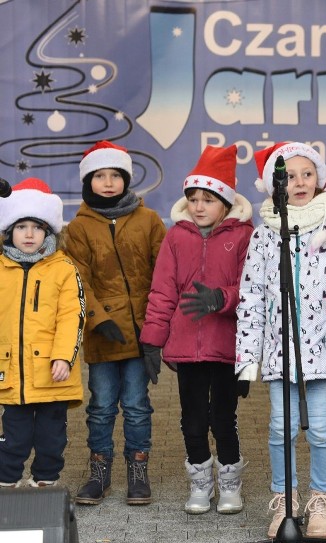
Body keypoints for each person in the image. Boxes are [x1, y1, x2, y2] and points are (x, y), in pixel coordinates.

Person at [236, 141, 326, 539]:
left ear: (319, 178)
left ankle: (321, 500)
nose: (299, 182)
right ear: (274, 185)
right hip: (280, 352)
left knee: (321, 430)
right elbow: (251, 297)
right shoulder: (265, 236)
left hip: (325, 348)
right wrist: (247, 359)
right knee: (280, 428)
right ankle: (284, 499)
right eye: (289, 176)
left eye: (306, 173)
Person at [139, 145, 254, 515]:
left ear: (225, 202)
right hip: (186, 348)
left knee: (223, 418)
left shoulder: (245, 236)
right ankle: (201, 483)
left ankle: (230, 483)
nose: (198, 206)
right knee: (191, 420)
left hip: (227, 348)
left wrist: (221, 298)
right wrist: (152, 341)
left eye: (207, 199)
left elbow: (253, 291)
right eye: (193, 198)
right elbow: (162, 291)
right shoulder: (176, 237)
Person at [64, 140, 167, 505]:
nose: (108, 182)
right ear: (88, 180)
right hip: (102, 335)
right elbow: (77, 278)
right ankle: (99, 470)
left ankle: (138, 468)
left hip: (140, 333)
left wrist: (158, 324)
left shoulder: (148, 220)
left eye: (115, 175)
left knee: (138, 404)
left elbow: (163, 274)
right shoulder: (77, 228)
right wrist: (97, 319)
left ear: (126, 178)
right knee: (102, 405)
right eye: (99, 176)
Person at [0, 178, 86, 488]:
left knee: (51, 438)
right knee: (13, 438)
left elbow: (72, 316)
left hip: (53, 371)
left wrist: (63, 356)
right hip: (12, 374)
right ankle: (6, 483)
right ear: (9, 231)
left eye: (37, 227)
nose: (29, 234)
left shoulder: (63, 268)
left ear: (48, 232)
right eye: (21, 226)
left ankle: (45, 482)